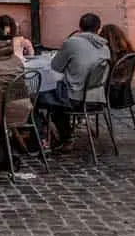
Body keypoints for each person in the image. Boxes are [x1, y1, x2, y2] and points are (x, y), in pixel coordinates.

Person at [39, 13, 112, 145]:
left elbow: (56, 66)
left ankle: (61, 138)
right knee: (55, 96)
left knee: (41, 97)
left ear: (80, 27)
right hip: (98, 98)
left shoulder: (72, 42)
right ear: (99, 29)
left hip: (76, 99)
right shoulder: (105, 47)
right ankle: (63, 135)